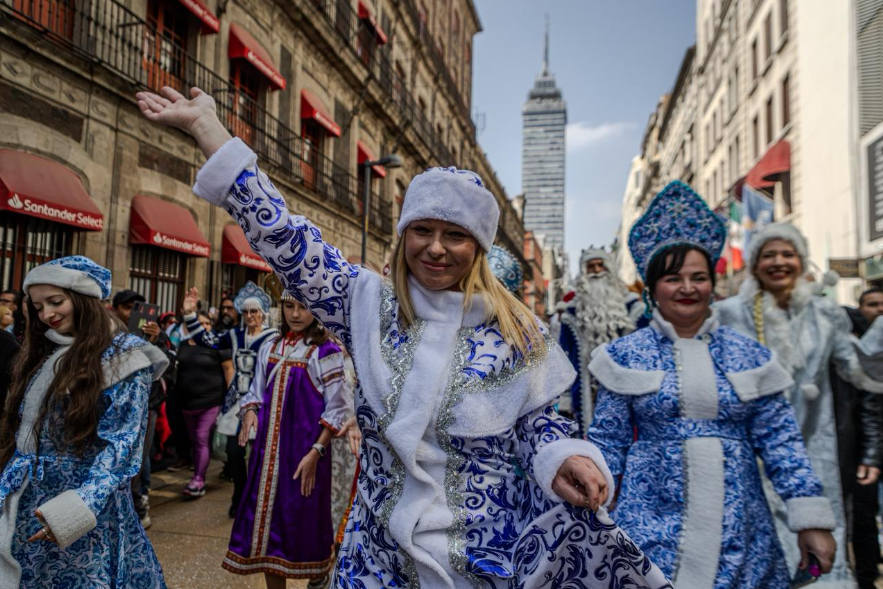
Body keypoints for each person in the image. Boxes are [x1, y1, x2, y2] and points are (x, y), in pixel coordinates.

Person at [136, 85, 671, 588]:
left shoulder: (516, 329)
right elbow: (284, 237)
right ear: (405, 233)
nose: (436, 248)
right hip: (376, 553)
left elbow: (537, 424)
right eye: (423, 230)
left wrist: (563, 457)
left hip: (484, 556)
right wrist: (210, 130)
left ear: (477, 248)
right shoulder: (362, 303)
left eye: (455, 234)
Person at [588, 181, 837, 588]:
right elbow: (608, 442)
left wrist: (810, 518)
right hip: (648, 518)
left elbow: (782, 443)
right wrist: (592, 513)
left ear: (712, 284)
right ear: (651, 288)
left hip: (739, 526)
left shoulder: (749, 355)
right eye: (673, 278)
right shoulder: (624, 355)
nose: (687, 288)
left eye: (698, 277)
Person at [717, 222, 883, 587]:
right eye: (769, 255)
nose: (779, 262)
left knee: (817, 542)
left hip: (812, 449)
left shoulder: (826, 314)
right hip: (748, 449)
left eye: (788, 254)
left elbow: (857, 367)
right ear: (755, 264)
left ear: (801, 260)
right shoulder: (728, 313)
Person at [0, 256, 168, 588]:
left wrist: (76, 508)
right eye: (37, 306)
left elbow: (121, 447)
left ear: (82, 299)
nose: (47, 314)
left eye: (56, 301)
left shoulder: (125, 357)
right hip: (24, 500)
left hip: (81, 510)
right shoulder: (43, 351)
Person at [224, 294, 353, 588]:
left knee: (304, 522)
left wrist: (316, 451)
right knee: (268, 532)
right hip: (267, 455)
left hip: (305, 453)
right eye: (289, 306)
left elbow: (338, 407)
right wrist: (249, 413)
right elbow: (255, 391)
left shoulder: (326, 352)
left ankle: (320, 576)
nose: (295, 314)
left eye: (303, 306)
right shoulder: (271, 346)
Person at [180, 281, 277, 516]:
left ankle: (255, 499)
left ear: (263, 313)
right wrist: (190, 314)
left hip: (264, 401)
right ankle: (239, 493)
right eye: (245, 312)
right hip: (238, 402)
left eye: (254, 311)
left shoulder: (273, 337)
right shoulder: (235, 335)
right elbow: (207, 341)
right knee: (234, 453)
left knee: (260, 455)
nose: (250, 316)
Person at [557, 247, 646, 432]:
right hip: (585, 389)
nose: (597, 271)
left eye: (601, 265)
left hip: (628, 386)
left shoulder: (634, 308)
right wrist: (564, 399)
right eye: (591, 266)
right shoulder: (571, 313)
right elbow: (563, 356)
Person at [111, 288, 176, 529]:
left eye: (137, 309)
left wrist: (155, 340)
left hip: (147, 405)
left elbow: (169, 367)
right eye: (127, 308)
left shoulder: (156, 336)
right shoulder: (107, 333)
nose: (132, 315)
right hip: (114, 405)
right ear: (115, 309)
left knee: (138, 457)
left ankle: (138, 507)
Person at [832, 288, 883, 589]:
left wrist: (871, 456)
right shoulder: (847, 349)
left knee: (862, 518)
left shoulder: (863, 354)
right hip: (847, 450)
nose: (879, 311)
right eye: (872, 304)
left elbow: (869, 407)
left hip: (863, 454)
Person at [175, 310, 233, 498]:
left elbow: (228, 370)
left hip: (211, 401)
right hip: (187, 403)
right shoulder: (183, 346)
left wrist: (230, 399)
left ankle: (198, 479)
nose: (205, 327)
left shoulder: (218, 345)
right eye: (201, 324)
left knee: (201, 438)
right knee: (196, 441)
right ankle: (198, 474)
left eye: (208, 324)